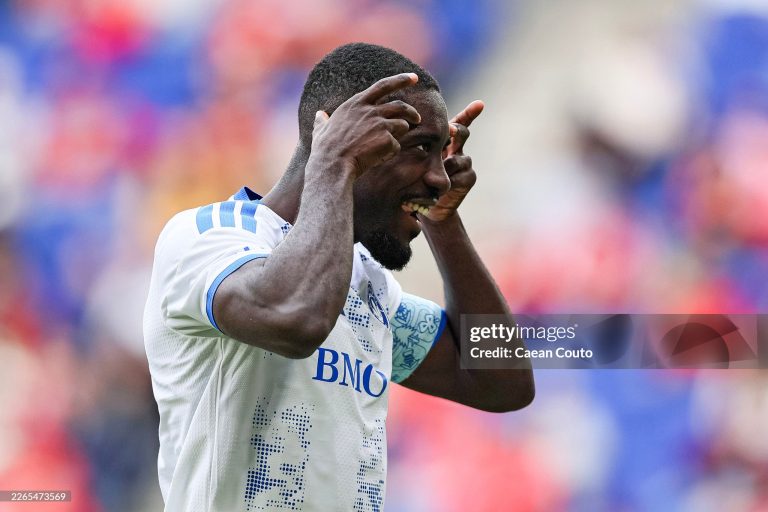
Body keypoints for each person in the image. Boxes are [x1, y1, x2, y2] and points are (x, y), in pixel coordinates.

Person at [144, 42, 534, 512]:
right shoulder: (209, 237)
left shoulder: (365, 288)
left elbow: (501, 381)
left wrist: (442, 222)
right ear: (342, 138)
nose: (440, 177)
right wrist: (331, 164)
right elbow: (297, 320)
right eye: (420, 150)